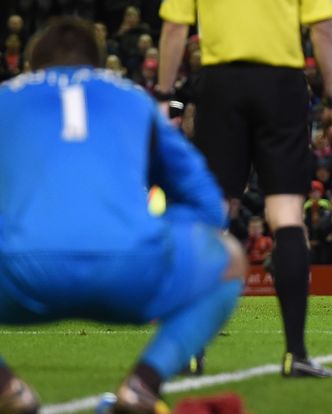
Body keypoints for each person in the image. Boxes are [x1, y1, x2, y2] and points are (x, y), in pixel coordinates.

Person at [0, 18, 245, 413]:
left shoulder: (6, 98)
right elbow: (206, 202)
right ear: (100, 67)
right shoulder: (133, 98)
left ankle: (7, 391)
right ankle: (142, 386)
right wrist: (163, 233)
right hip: (131, 266)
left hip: (19, 272)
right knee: (229, 259)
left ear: (31, 68)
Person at [157, 0, 332, 377]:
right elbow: (323, 29)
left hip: (220, 86)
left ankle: (191, 349)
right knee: (286, 214)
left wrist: (163, 95)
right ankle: (296, 355)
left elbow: (175, 29)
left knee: (215, 214)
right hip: (281, 85)